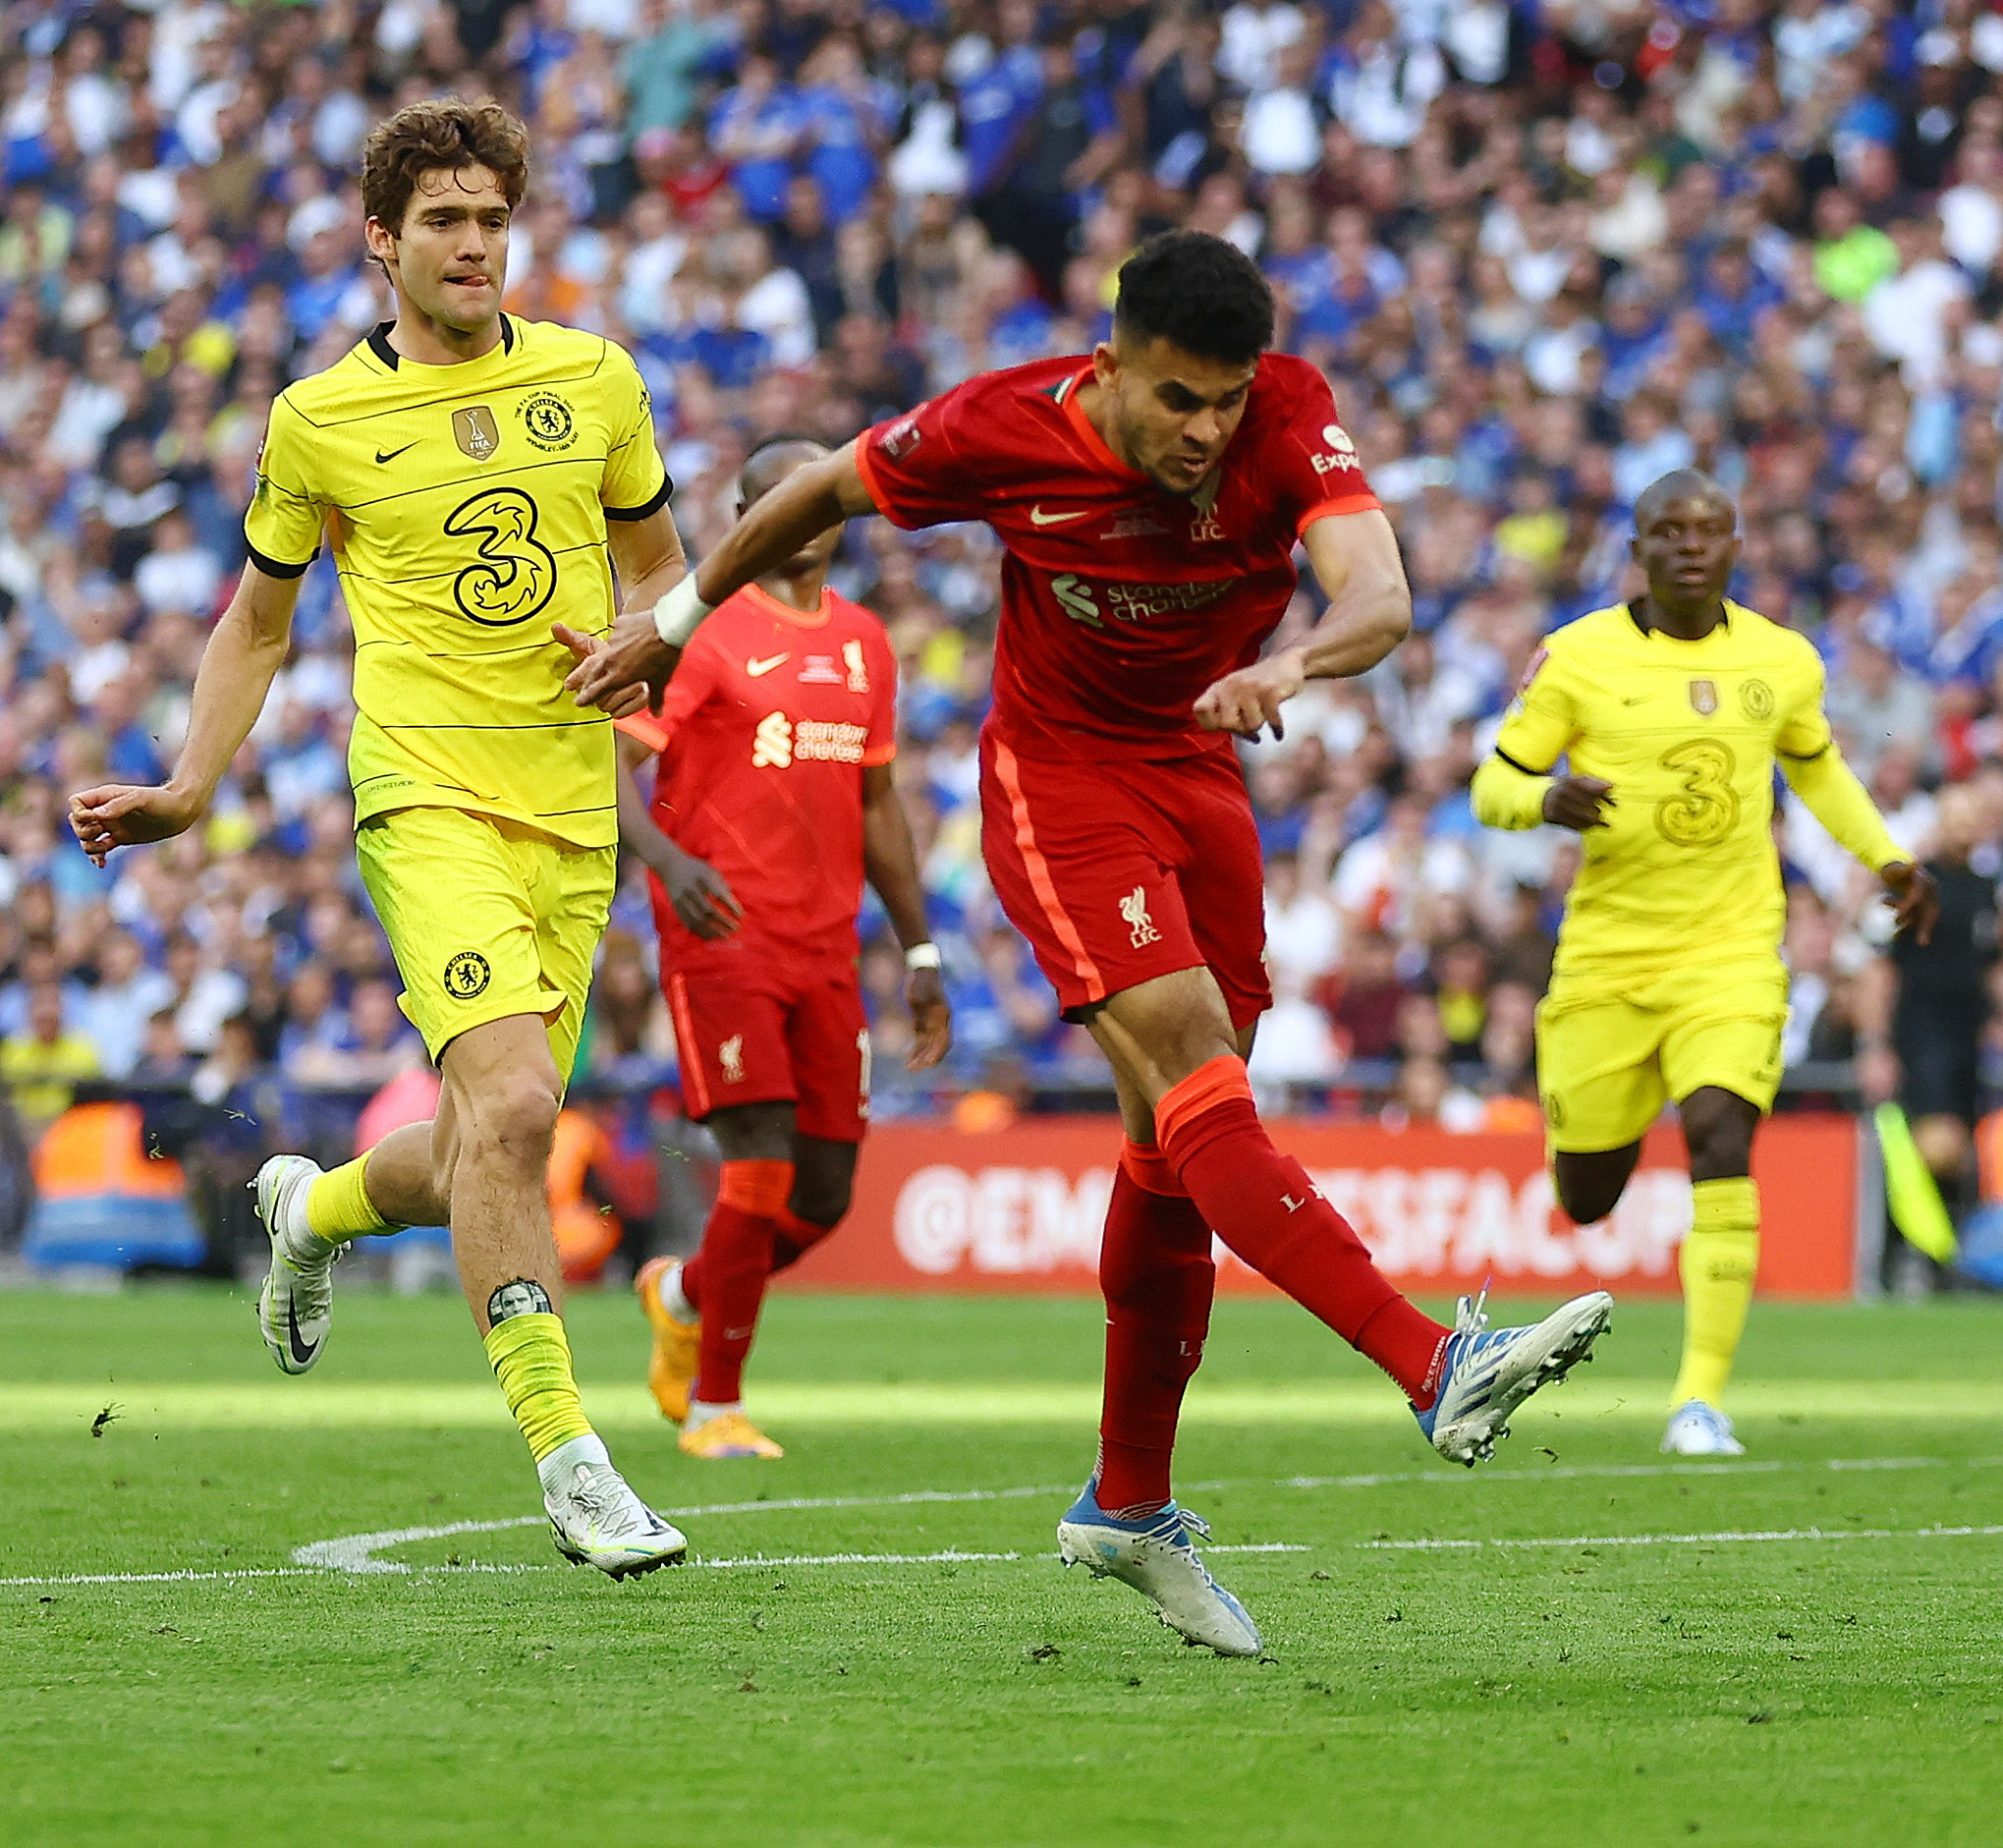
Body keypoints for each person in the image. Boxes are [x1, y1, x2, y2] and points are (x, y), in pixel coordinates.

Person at [562, 229, 1609, 1654]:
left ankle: (1127, 1502)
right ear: (1111, 368)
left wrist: (1293, 660)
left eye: (1226, 402)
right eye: (1178, 399)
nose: (1206, 430)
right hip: (1057, 781)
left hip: (1197, 766)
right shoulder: (1004, 424)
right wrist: (677, 621)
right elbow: (816, 487)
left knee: (1169, 1133)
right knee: (1195, 1072)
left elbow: (1381, 590)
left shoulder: (1290, 411)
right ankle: (1431, 1358)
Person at [70, 100, 696, 1579]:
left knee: (494, 1131)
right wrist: (186, 784)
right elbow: (259, 620)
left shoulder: (597, 379)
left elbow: (664, 569)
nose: (474, 244)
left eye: (493, 218)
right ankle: (573, 1456)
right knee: (519, 1105)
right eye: (444, 222)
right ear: (383, 240)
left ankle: (313, 1201)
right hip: (422, 794)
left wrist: (647, 645)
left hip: (573, 806)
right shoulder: (316, 419)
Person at [1470, 469, 1936, 1456]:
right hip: (1604, 962)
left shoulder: (1782, 658)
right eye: (1669, 531)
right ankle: (1617, 1107)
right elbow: (1493, 782)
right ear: (1635, 550)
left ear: (1734, 545)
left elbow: (1816, 766)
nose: (1691, 545)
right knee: (1585, 1195)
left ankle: (1698, 1400)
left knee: (1721, 1132)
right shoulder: (1576, 656)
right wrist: (1541, 799)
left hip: (1730, 953)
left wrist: (1886, 856)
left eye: (1710, 530)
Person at [617, 435, 954, 1460]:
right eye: (788, 496)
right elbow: (607, 760)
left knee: (825, 1193)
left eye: (824, 495)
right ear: (750, 513)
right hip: (722, 933)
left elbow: (879, 803)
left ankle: (680, 1292)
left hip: (826, 946)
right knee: (758, 1167)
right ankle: (714, 1404)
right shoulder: (702, 631)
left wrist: (923, 953)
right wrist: (668, 866)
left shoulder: (864, 641)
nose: (812, 512)